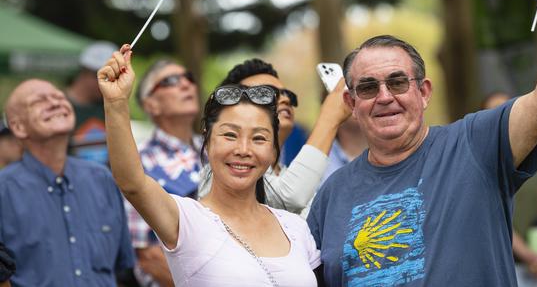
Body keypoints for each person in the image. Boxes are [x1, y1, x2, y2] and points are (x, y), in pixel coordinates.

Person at [307, 0, 537, 286]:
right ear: (351, 104)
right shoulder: (330, 195)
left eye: (398, 82)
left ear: (424, 93)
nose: (384, 97)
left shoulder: (475, 144)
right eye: (368, 87)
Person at [99, 45, 321, 286]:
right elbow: (132, 183)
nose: (243, 150)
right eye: (230, 135)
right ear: (207, 140)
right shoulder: (187, 219)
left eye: (259, 138)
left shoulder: (295, 227)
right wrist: (116, 103)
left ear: (273, 150)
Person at [0, 79, 134, 287]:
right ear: (18, 127)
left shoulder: (102, 179)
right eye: (39, 101)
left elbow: (122, 270)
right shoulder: (4, 190)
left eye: (59, 97)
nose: (55, 103)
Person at [199, 58, 351, 214]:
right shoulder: (219, 170)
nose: (284, 99)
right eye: (268, 92)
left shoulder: (285, 174)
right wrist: (330, 117)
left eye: (288, 95)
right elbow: (292, 197)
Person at [126, 59, 202, 286]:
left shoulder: (219, 151)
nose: (186, 85)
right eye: (170, 81)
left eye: (189, 78)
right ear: (151, 105)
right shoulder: (136, 162)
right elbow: (147, 256)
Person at [483, 92, 537, 287]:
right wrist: (528, 255)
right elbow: (493, 217)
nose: (501, 116)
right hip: (507, 266)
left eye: (506, 110)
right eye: (494, 112)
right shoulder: (482, 163)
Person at [66, 41, 118, 165]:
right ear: (85, 73)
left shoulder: (109, 106)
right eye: (106, 78)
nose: (110, 84)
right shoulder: (58, 105)